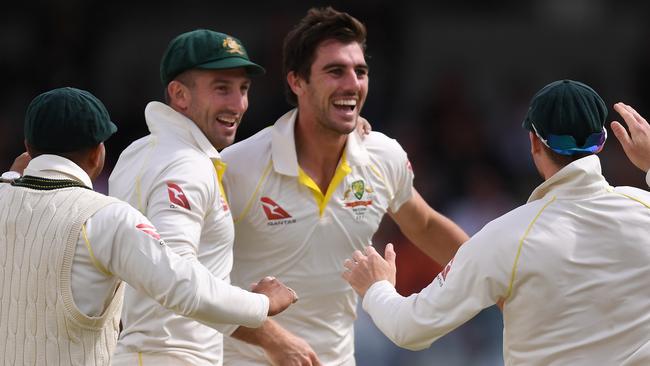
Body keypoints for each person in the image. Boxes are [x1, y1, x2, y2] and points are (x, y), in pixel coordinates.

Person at [219, 7, 468, 365]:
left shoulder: (383, 155)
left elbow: (424, 224)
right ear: (297, 82)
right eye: (335, 71)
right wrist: (271, 338)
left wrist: (499, 274)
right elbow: (193, 279)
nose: (352, 83)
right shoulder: (239, 165)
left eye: (360, 71)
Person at [342, 80, 650, 365]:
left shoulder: (507, 235)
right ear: (601, 142)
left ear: (534, 143)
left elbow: (409, 327)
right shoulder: (644, 208)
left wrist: (376, 287)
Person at [0, 87, 297, 366]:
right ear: (98, 153)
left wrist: (11, 179)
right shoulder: (107, 218)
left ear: (28, 147)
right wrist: (261, 303)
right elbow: (184, 288)